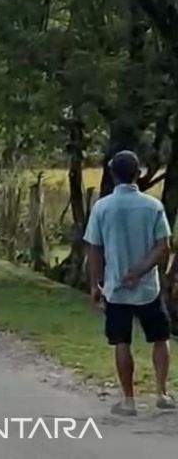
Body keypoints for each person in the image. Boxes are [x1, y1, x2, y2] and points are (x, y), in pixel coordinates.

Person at [84, 150, 175, 416]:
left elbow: (95, 250)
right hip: (148, 287)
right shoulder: (153, 206)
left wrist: (94, 284)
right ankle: (162, 393)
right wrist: (141, 269)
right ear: (137, 173)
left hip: (115, 288)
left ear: (113, 175)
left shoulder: (102, 207)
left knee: (121, 341)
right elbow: (163, 246)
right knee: (159, 337)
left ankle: (128, 400)